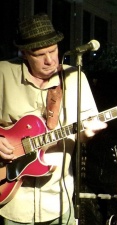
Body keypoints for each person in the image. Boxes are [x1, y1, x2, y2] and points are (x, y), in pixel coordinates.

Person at [0, 13, 107, 225]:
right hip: (14, 200)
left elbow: (84, 134)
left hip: (59, 198)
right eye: (39, 54)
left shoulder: (75, 77)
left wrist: (88, 133)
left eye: (53, 50)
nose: (49, 60)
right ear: (24, 54)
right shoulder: (3, 73)